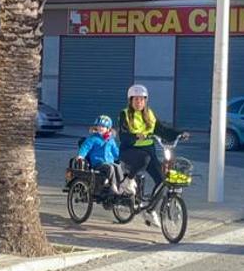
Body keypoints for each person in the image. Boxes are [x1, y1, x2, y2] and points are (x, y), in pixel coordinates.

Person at [117, 84, 187, 228]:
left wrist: (179, 133)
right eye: (136, 99)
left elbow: (161, 129)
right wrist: (136, 136)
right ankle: (127, 181)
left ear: (146, 100)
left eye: (142, 99)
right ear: (130, 100)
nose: (139, 102)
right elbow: (123, 135)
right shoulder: (124, 114)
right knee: (145, 159)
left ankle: (150, 210)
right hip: (129, 151)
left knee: (163, 180)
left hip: (149, 151)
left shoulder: (150, 114)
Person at [76, 115, 123, 195]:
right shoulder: (93, 138)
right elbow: (85, 147)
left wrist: (122, 158)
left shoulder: (111, 140)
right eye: (99, 126)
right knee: (110, 168)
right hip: (98, 163)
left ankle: (121, 186)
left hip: (109, 161)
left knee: (118, 167)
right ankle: (113, 186)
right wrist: (81, 155)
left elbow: (115, 151)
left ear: (108, 129)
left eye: (103, 126)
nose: (100, 128)